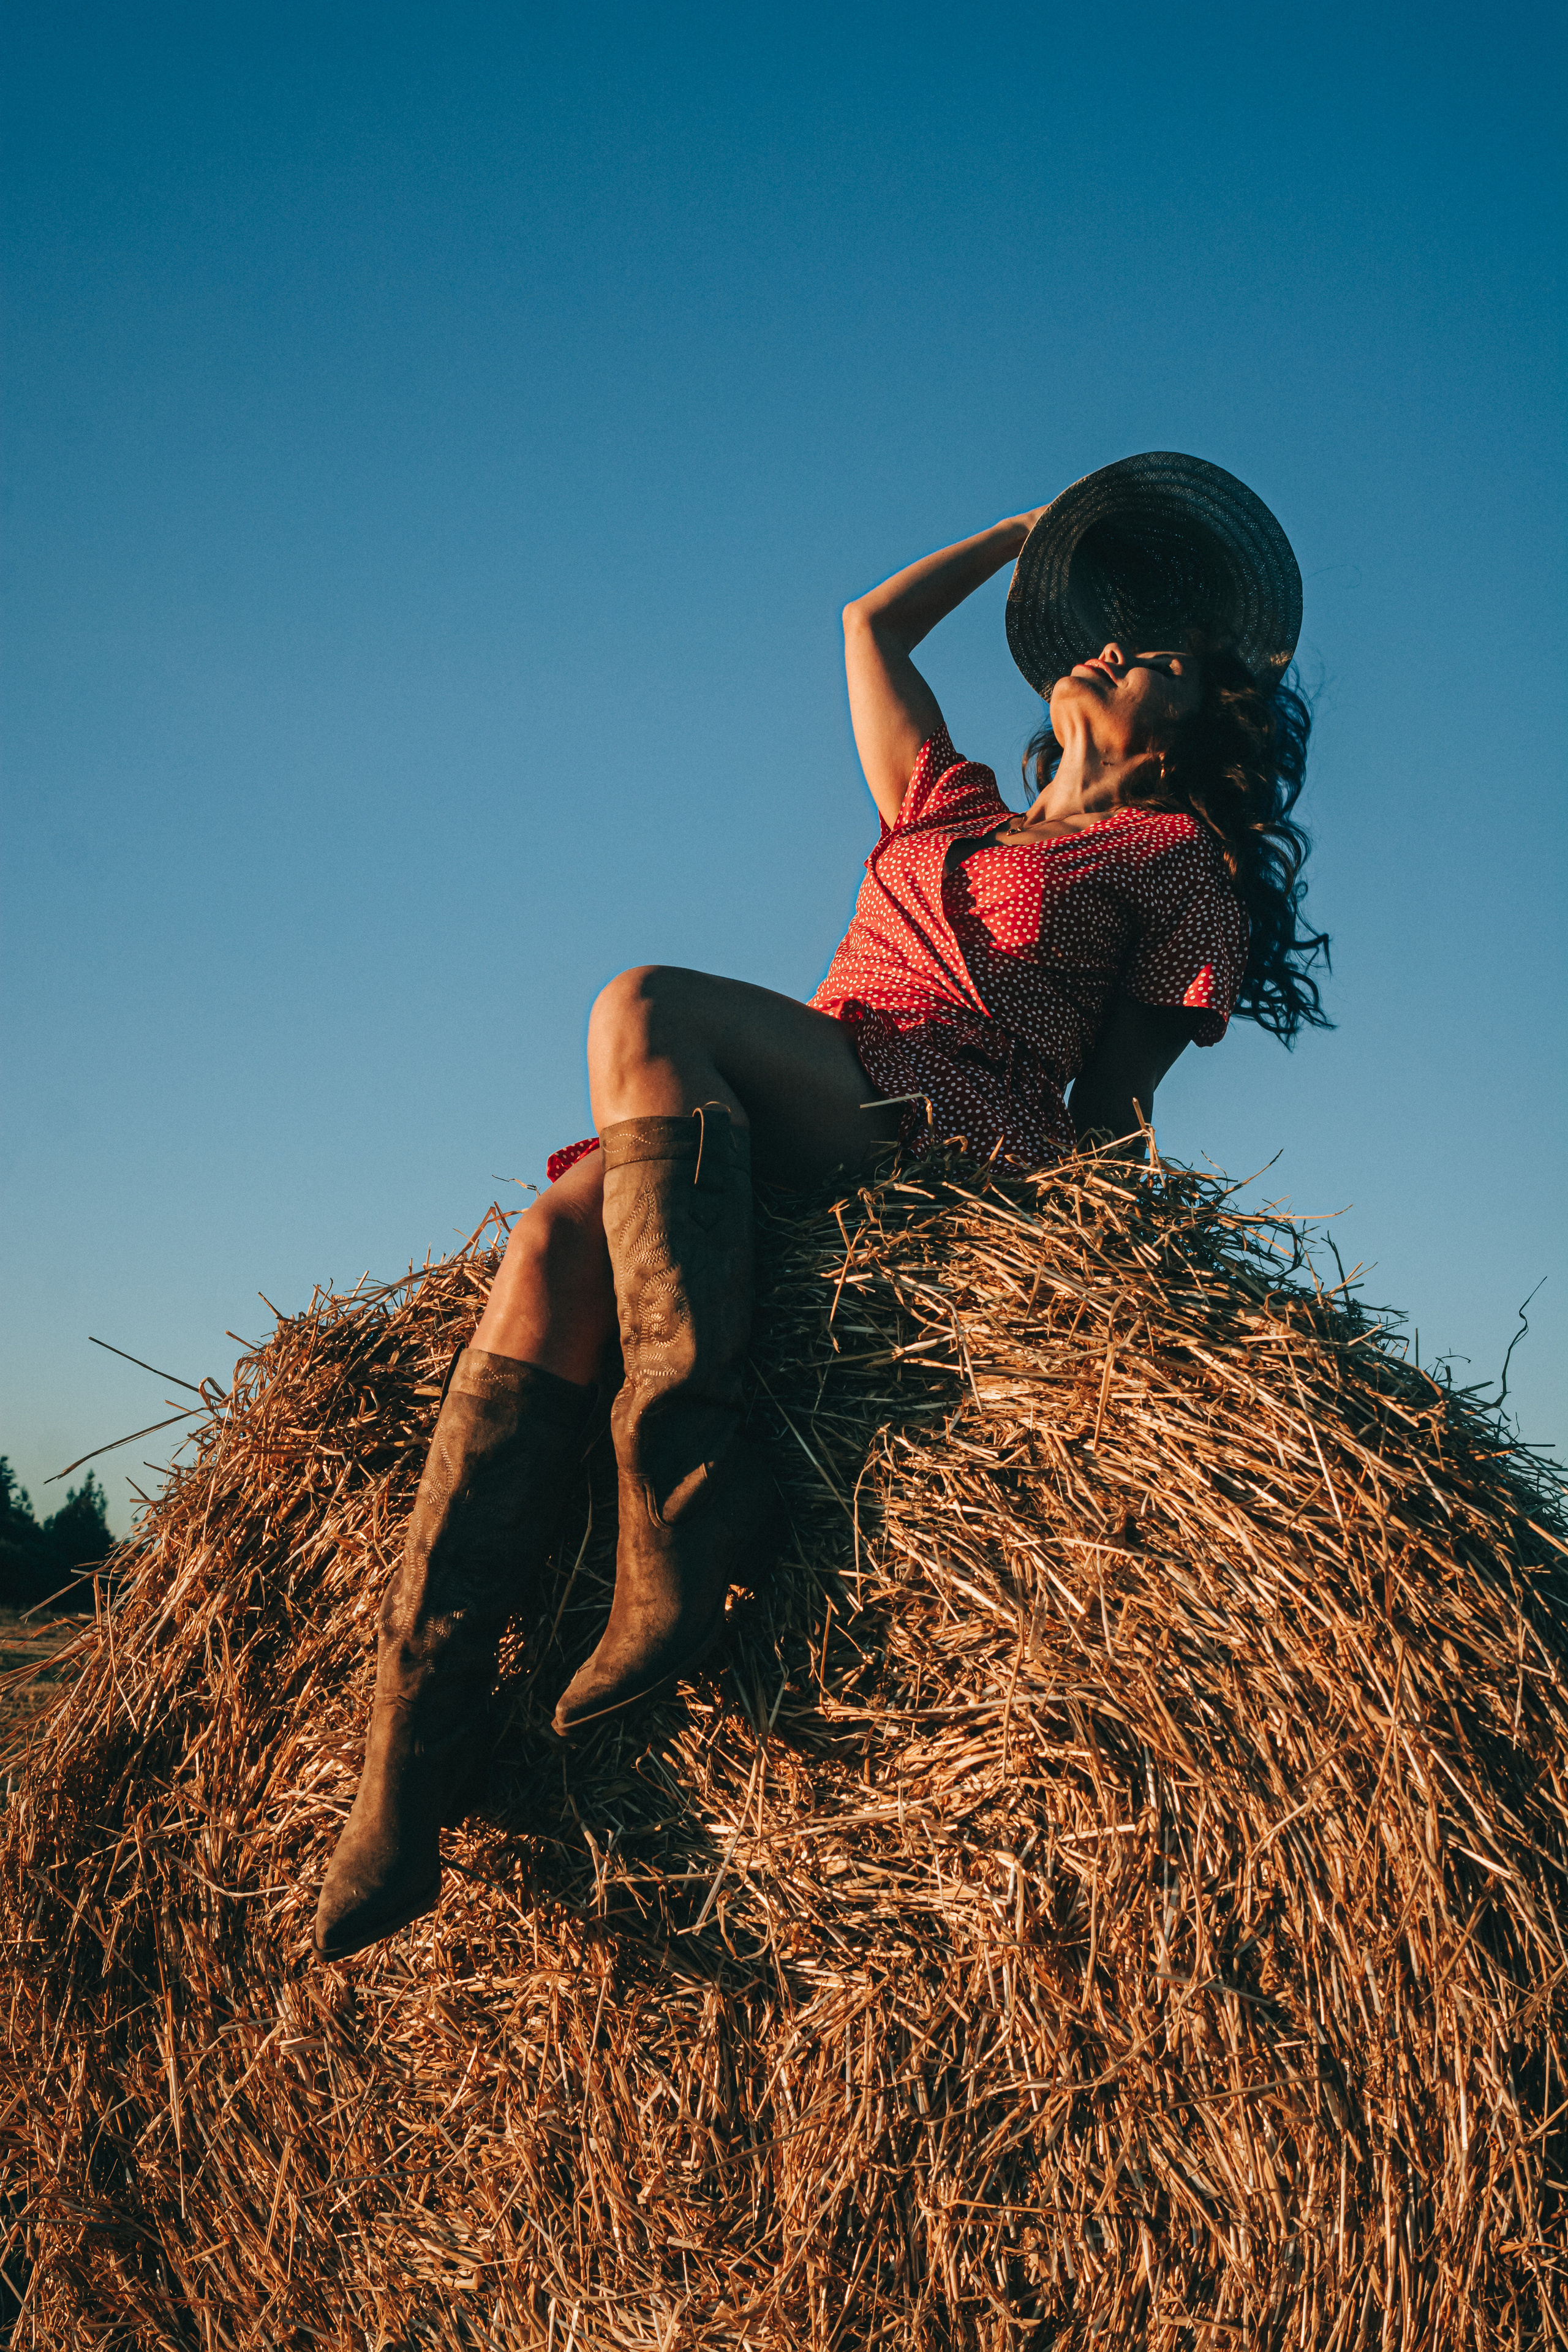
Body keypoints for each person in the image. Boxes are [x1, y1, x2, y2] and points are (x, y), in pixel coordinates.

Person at [314, 453, 1329, 1961]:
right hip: (794, 1100)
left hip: (941, 1127)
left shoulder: (1175, 864)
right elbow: (869, 626)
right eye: (1111, 634)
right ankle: (414, 1748)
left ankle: (685, 1493)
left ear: (1191, 735)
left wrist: (1127, 1309)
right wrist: (1032, 537)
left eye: (1156, 658)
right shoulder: (948, 800)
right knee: (547, 1241)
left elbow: (1115, 1113)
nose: (1112, 650)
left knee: (645, 1001)